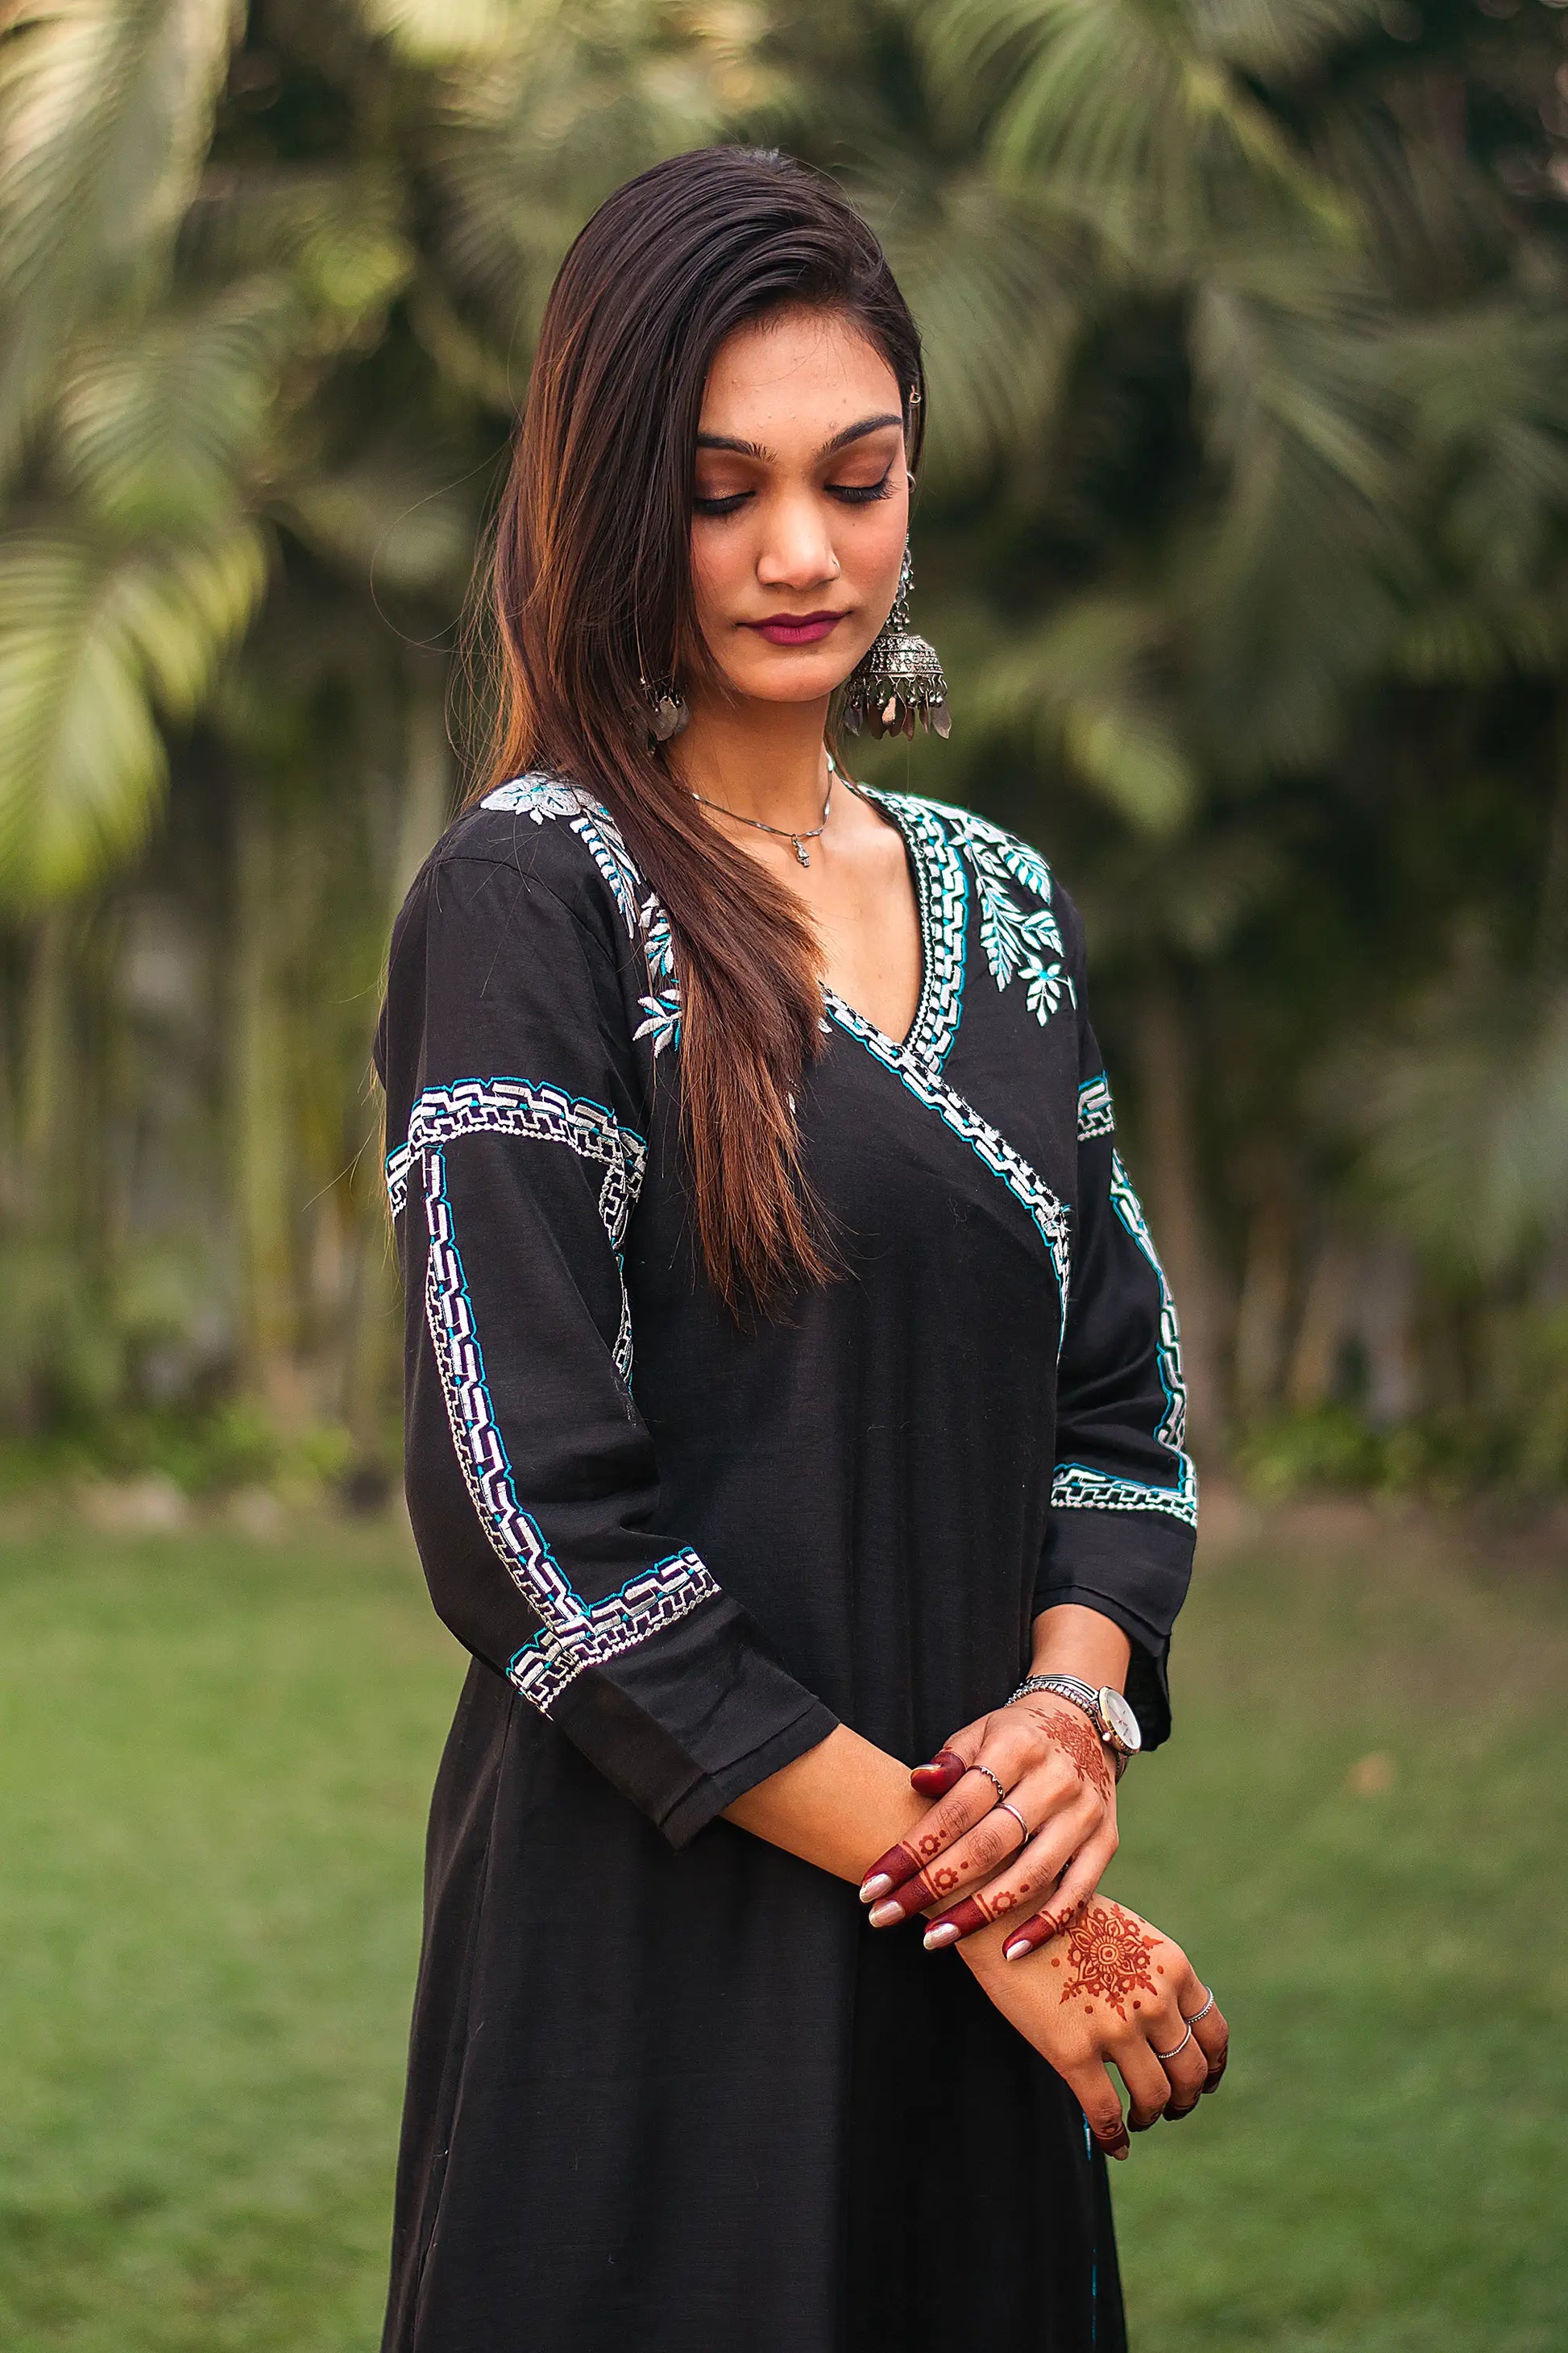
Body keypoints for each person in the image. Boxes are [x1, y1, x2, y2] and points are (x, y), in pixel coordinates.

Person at [375, 144, 1227, 2353]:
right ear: (606, 503)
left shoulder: (1006, 905)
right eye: (720, 488)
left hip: (960, 1999)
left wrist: (1069, 1715)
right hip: (652, 1972)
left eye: (856, 479)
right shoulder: (533, 897)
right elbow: (526, 1523)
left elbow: (1118, 1420)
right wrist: (984, 1895)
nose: (798, 553)